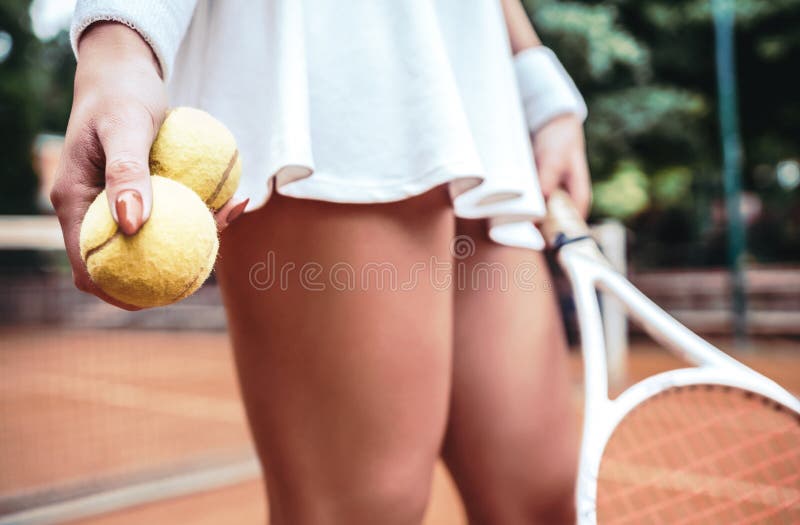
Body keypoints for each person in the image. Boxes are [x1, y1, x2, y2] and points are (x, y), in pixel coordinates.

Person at [52, 1, 591, 523]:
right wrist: (120, 43)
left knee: (536, 499)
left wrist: (540, 86)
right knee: (364, 510)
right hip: (329, 64)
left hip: (475, 79)